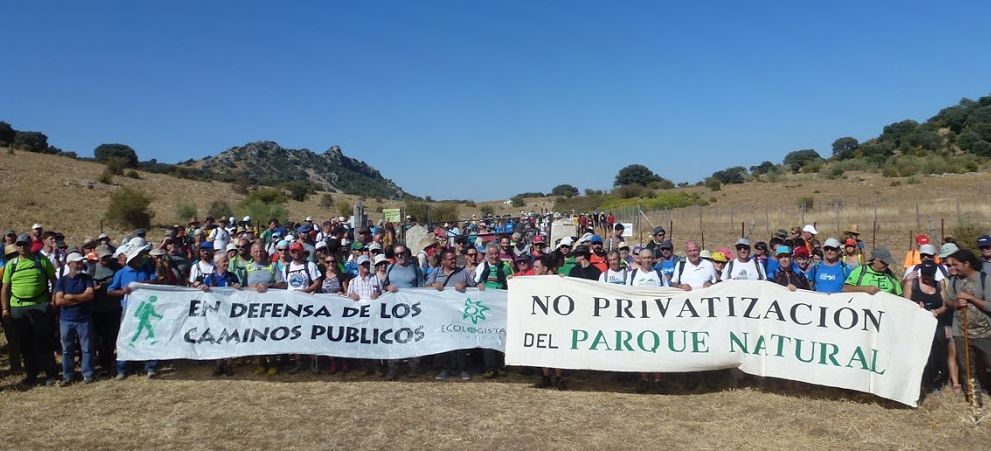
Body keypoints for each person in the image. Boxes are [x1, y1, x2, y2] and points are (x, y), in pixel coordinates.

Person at [2, 234, 59, 387]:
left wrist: (53, 300)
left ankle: (50, 373)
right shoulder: (11, 264)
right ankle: (31, 374)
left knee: (43, 339)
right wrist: (5, 309)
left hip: (39, 304)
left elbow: (54, 281)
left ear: (30, 245)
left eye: (25, 244)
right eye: (19, 245)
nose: (22, 247)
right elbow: (5, 289)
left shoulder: (41, 260)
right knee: (25, 342)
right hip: (18, 307)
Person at [944, 249, 991, 402]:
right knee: (967, 368)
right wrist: (955, 303)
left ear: (967, 264)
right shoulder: (954, 281)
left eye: (956, 265)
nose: (953, 268)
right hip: (961, 332)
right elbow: (948, 301)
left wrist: (970, 297)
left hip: (985, 332)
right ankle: (974, 399)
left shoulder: (985, 279)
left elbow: (989, 306)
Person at [107, 243, 158, 379]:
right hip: (128, 312)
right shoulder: (121, 273)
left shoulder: (146, 269)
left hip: (145, 312)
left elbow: (155, 280)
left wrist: (142, 285)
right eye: (139, 257)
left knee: (147, 338)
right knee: (126, 339)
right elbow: (110, 291)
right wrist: (123, 291)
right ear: (132, 259)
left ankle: (150, 367)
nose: (141, 259)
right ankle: (122, 369)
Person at [428, 249, 477, 381]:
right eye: (451, 259)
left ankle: (462, 369)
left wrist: (465, 284)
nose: (454, 261)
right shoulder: (436, 273)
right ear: (443, 261)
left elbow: (475, 288)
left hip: (459, 313)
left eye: (455, 258)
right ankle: (445, 369)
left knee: (460, 342)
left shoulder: (463, 273)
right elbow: (425, 288)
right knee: (445, 342)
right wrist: (433, 285)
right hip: (442, 313)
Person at [903, 260, 948, 393]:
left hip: (935, 323)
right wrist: (916, 305)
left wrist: (937, 311)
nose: (927, 278)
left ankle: (932, 381)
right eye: (925, 274)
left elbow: (945, 305)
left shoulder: (939, 285)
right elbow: (905, 303)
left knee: (935, 352)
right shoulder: (912, 284)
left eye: (930, 275)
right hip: (917, 323)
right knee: (917, 353)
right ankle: (916, 381)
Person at [54, 252, 96, 385]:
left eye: (80, 262)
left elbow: (90, 295)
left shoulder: (86, 278)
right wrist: (80, 298)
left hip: (83, 318)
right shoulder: (62, 281)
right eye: (77, 263)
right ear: (69, 264)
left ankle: (88, 373)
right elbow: (59, 301)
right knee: (67, 349)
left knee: (87, 348)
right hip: (66, 320)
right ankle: (68, 375)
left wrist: (71, 297)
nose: (80, 265)